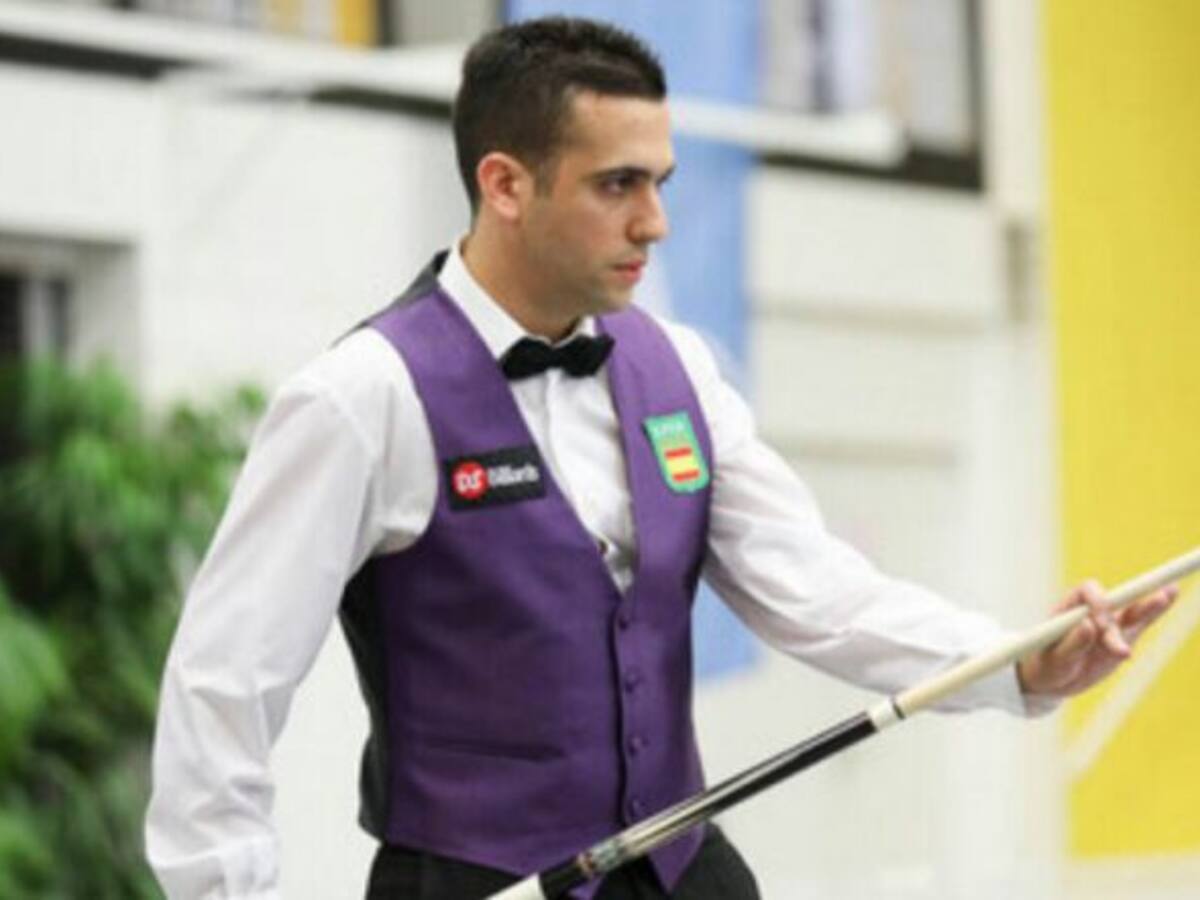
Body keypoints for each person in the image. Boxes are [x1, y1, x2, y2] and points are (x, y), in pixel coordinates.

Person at [145, 15, 1177, 900]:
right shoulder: (361, 397)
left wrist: (1015, 661)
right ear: (505, 184)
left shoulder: (678, 366)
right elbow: (224, 681)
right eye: (618, 185)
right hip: (480, 880)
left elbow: (817, 590)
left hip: (682, 868)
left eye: (661, 181)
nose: (656, 222)